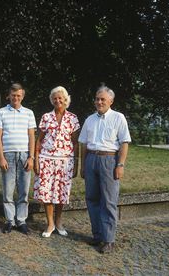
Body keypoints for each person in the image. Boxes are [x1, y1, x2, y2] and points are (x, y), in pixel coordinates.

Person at [79, 85, 131, 254]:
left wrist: (120, 165)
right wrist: (83, 166)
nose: (99, 102)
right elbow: (84, 144)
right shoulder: (89, 119)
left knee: (108, 201)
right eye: (97, 99)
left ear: (111, 101)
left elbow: (124, 143)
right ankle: (98, 235)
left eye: (102, 99)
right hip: (91, 159)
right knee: (92, 198)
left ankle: (109, 240)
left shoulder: (118, 118)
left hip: (109, 160)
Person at [33, 86, 80, 238]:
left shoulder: (72, 118)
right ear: (51, 100)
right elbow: (39, 141)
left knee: (61, 194)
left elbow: (75, 143)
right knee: (47, 193)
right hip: (47, 159)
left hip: (65, 161)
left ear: (66, 100)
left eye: (60, 98)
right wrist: (36, 160)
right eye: (55, 98)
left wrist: (76, 165)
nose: (57, 100)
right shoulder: (46, 117)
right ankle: (50, 223)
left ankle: (58, 222)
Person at [0, 83, 36, 234]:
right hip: (8, 155)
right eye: (13, 96)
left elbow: (32, 136)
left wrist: (31, 157)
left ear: (22, 96)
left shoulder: (29, 113)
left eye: (18, 96)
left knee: (24, 190)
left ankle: (22, 220)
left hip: (24, 154)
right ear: (9, 96)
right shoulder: (1, 112)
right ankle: (10, 220)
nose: (16, 98)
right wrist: (1, 157)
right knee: (8, 190)